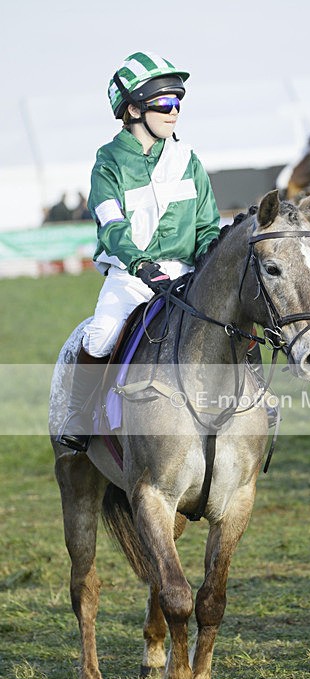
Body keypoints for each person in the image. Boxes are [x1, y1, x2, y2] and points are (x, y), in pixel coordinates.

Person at [57, 51, 221, 452]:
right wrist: (140, 264)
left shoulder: (189, 161)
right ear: (132, 109)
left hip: (186, 275)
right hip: (131, 278)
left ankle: (255, 405)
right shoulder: (107, 163)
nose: (174, 112)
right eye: (164, 103)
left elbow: (208, 225)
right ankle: (79, 415)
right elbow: (111, 226)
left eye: (179, 102)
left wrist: (209, 263)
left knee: (230, 322)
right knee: (99, 337)